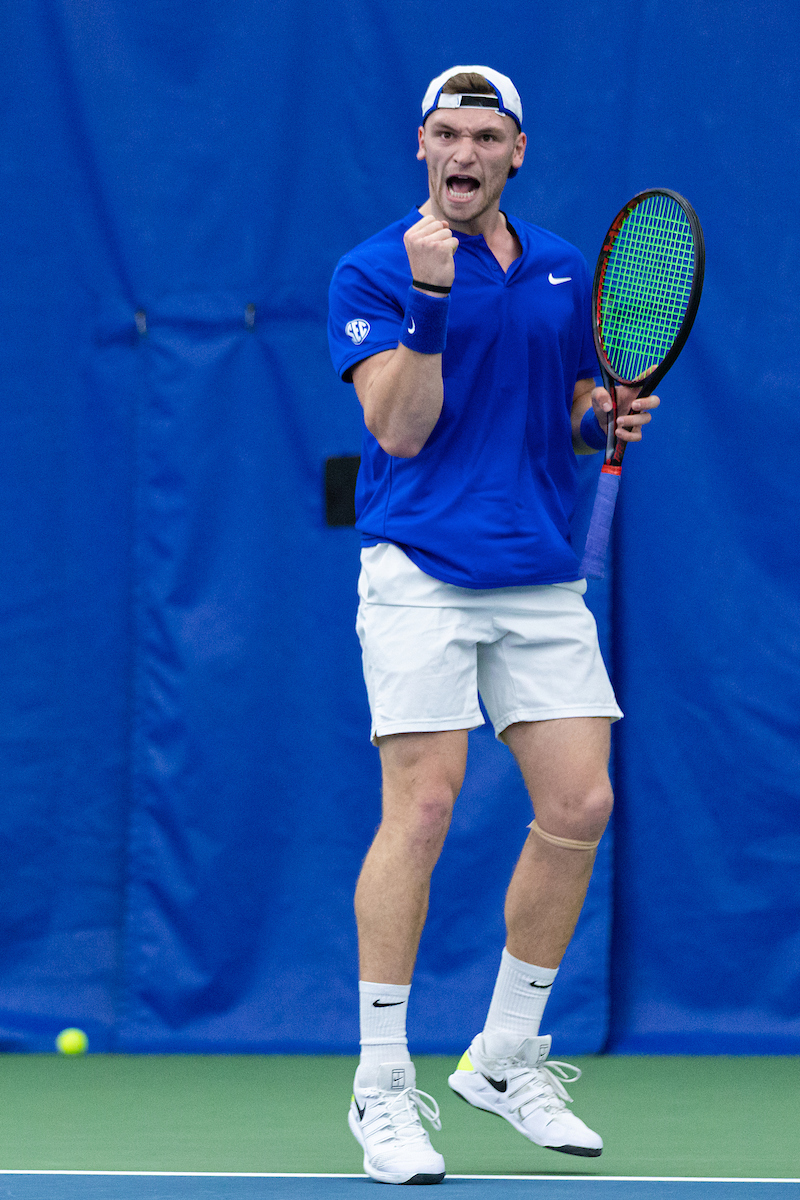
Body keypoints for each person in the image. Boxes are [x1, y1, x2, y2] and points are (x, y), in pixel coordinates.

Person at [327, 65, 659, 1186]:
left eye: (483, 136)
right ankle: (381, 1086)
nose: (461, 153)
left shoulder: (564, 266)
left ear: (515, 152)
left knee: (579, 803)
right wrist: (426, 302)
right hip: (418, 570)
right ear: (419, 148)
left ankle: (505, 1057)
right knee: (421, 806)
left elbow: (566, 404)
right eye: (443, 135)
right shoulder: (373, 267)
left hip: (535, 574)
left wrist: (598, 411)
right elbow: (402, 428)